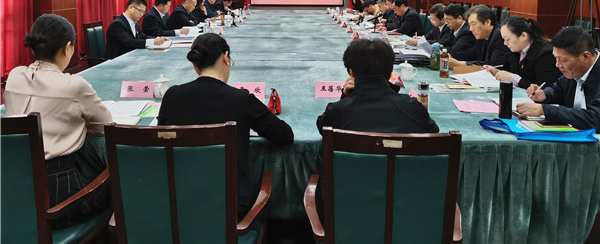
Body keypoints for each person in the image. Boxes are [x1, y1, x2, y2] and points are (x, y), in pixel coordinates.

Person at [157, 34, 294, 216]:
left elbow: (160, 139)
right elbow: (285, 136)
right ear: (225, 57)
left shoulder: (172, 96)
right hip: (230, 205)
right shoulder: (241, 99)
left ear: (195, 65)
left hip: (177, 201)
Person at [5, 14, 112, 228]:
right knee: (106, 148)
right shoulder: (74, 85)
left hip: (18, 192)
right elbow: (105, 126)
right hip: (62, 199)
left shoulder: (14, 76)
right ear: (68, 48)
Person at [316, 39, 438, 134]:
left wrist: (345, 98)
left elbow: (322, 127)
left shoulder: (338, 111)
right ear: (391, 72)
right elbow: (433, 131)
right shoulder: (412, 108)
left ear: (351, 72)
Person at [517, 27, 600, 130]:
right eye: (556, 58)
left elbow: (596, 118)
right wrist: (544, 95)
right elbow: (558, 88)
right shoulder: (574, 71)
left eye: (563, 60)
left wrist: (546, 110)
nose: (557, 65)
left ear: (585, 56)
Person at [484, 16, 561, 89]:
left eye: (508, 39)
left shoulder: (545, 54)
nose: (505, 43)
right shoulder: (515, 51)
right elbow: (510, 72)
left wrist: (514, 79)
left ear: (524, 36)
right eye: (503, 39)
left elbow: (544, 89)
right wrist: (497, 72)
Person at [449, 4, 511, 68]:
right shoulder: (483, 36)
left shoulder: (500, 35)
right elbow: (472, 54)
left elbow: (495, 65)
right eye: (470, 25)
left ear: (487, 22)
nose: (471, 29)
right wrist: (451, 55)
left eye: (473, 24)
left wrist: (460, 64)